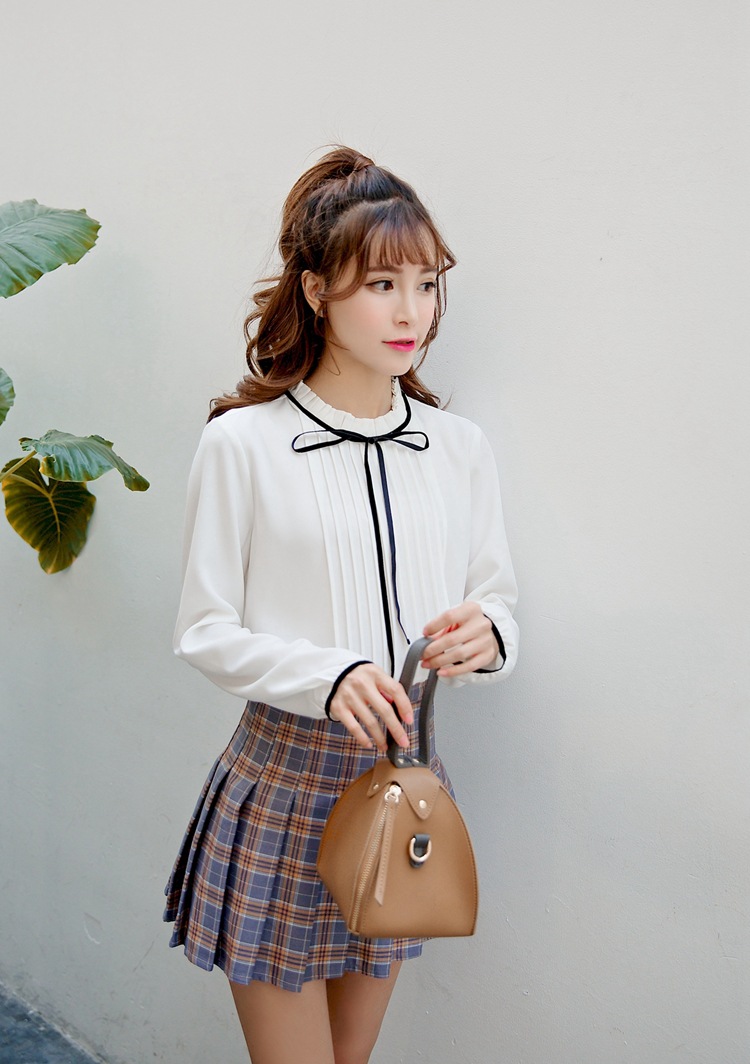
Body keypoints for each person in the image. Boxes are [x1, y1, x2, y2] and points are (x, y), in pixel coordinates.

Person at [164, 146, 519, 1064]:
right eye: (383, 285)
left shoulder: (458, 448)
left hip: (406, 785)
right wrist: (330, 675)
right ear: (317, 291)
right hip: (283, 784)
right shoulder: (244, 444)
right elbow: (203, 631)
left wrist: (488, 635)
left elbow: (496, 600)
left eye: (427, 285)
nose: (413, 313)